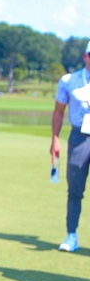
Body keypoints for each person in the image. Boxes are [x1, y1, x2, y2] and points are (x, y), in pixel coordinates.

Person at [50, 41, 90, 252]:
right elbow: (58, 111)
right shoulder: (69, 81)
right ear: (85, 57)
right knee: (75, 188)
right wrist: (55, 138)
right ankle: (71, 234)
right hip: (80, 137)